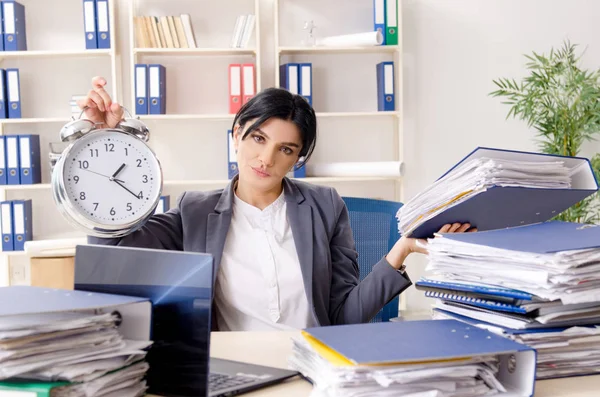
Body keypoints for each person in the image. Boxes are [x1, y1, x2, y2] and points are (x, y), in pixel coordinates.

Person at [81, 76, 476, 331]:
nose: (266, 159)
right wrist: (102, 147)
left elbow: (344, 318)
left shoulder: (324, 206)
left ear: (297, 158)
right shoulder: (194, 211)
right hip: (234, 368)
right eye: (258, 139)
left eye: (285, 149)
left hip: (314, 365)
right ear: (237, 134)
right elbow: (110, 251)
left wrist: (401, 250)